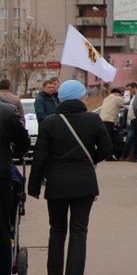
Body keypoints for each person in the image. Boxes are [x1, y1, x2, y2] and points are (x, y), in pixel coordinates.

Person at [28, 79, 112, 275]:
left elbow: (40, 157)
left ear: (61, 98)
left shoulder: (50, 122)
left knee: (57, 231)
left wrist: (33, 186)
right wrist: (89, 160)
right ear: (80, 97)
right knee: (79, 232)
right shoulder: (93, 120)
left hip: (56, 184)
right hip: (85, 183)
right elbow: (107, 149)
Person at [1, 92, 29, 275]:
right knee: (3, 225)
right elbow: (23, 143)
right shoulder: (7, 111)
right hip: (2, 174)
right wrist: (16, 153)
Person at [99, 88, 127, 159]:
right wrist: (123, 97)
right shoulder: (117, 98)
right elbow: (128, 102)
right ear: (118, 93)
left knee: (106, 139)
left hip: (101, 121)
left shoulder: (106, 99)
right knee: (110, 139)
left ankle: (106, 155)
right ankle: (109, 156)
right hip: (109, 121)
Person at [122, 82, 137, 162]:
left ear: (134, 88)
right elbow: (131, 107)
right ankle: (131, 155)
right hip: (131, 120)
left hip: (136, 120)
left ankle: (129, 155)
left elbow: (136, 108)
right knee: (132, 139)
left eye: (130, 89)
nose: (129, 91)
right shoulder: (133, 97)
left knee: (131, 138)